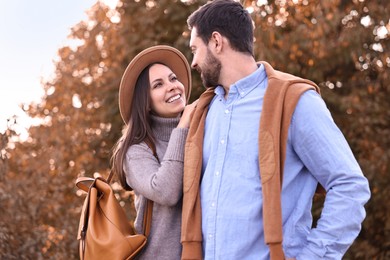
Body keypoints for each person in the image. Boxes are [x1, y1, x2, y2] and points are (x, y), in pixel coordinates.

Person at [180, 1, 371, 260]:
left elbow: (349, 185)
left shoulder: (294, 101)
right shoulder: (204, 112)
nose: (193, 62)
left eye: (195, 49)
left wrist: (313, 256)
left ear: (216, 42)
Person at [111, 45, 197, 259]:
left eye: (173, 79)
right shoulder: (135, 150)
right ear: (146, 103)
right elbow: (166, 192)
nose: (173, 86)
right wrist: (183, 125)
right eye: (158, 85)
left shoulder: (200, 133)